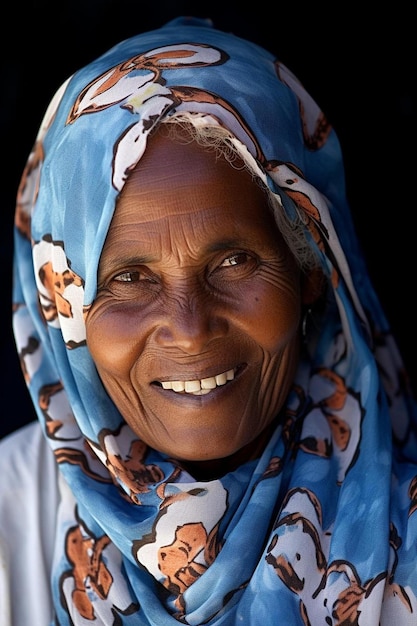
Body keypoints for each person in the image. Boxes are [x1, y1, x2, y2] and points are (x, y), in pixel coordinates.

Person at [1, 15, 416, 626]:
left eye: (233, 260)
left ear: (309, 268)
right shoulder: (10, 519)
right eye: (129, 279)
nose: (191, 329)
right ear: (65, 310)